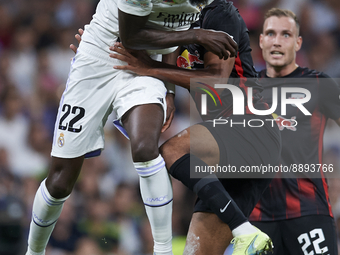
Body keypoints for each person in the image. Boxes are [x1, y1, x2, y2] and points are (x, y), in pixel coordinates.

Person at [24, 0, 239, 254]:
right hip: (99, 59)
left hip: (144, 61)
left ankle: (162, 250)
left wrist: (168, 91)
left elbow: (173, 24)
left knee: (145, 147)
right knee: (60, 181)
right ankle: (33, 251)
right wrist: (197, 34)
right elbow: (132, 35)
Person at [106, 1, 282, 254]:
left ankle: (243, 228)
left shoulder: (220, 14)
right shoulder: (176, 16)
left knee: (171, 151)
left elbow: (216, 82)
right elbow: (160, 47)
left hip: (253, 126)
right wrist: (167, 92)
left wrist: (151, 69)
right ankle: (245, 232)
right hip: (228, 145)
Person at [248, 8, 340, 255]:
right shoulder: (243, 90)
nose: (277, 41)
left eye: (286, 34)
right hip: (256, 218)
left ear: (298, 42)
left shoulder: (319, 84)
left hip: (309, 212)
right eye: (270, 33)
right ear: (261, 41)